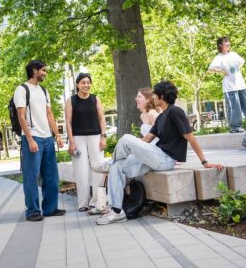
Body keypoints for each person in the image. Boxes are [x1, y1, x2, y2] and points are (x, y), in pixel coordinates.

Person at [94, 81, 224, 225]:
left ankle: (108, 163)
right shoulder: (162, 117)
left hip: (166, 159)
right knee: (117, 166)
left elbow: (190, 137)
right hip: (155, 157)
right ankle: (117, 212)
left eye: (155, 94)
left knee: (125, 139)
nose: (153, 97)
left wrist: (205, 162)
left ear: (161, 96)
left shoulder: (176, 112)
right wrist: (134, 148)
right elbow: (146, 140)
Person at [14, 60, 65, 221]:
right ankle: (33, 211)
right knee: (31, 175)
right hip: (33, 137)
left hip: (47, 138)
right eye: (43, 70)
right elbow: (21, 116)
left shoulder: (43, 90)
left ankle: (50, 208)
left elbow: (49, 114)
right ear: (34, 70)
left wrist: (57, 135)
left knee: (51, 175)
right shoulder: (22, 90)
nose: (45, 73)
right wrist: (29, 139)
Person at [64, 72, 108, 212]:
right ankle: (83, 203)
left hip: (95, 136)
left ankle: (97, 202)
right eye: (83, 82)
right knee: (81, 170)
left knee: (98, 168)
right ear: (77, 84)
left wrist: (103, 137)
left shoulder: (95, 99)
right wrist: (71, 142)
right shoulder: (71, 100)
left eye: (88, 82)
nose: (86, 85)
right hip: (78, 138)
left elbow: (102, 119)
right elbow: (68, 122)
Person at [208, 36, 246, 133]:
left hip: (240, 84)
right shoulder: (219, 57)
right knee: (235, 107)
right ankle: (235, 127)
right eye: (225, 42)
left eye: (228, 41)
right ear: (220, 45)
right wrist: (222, 70)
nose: (228, 43)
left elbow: (242, 62)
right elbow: (211, 68)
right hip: (230, 87)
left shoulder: (233, 54)